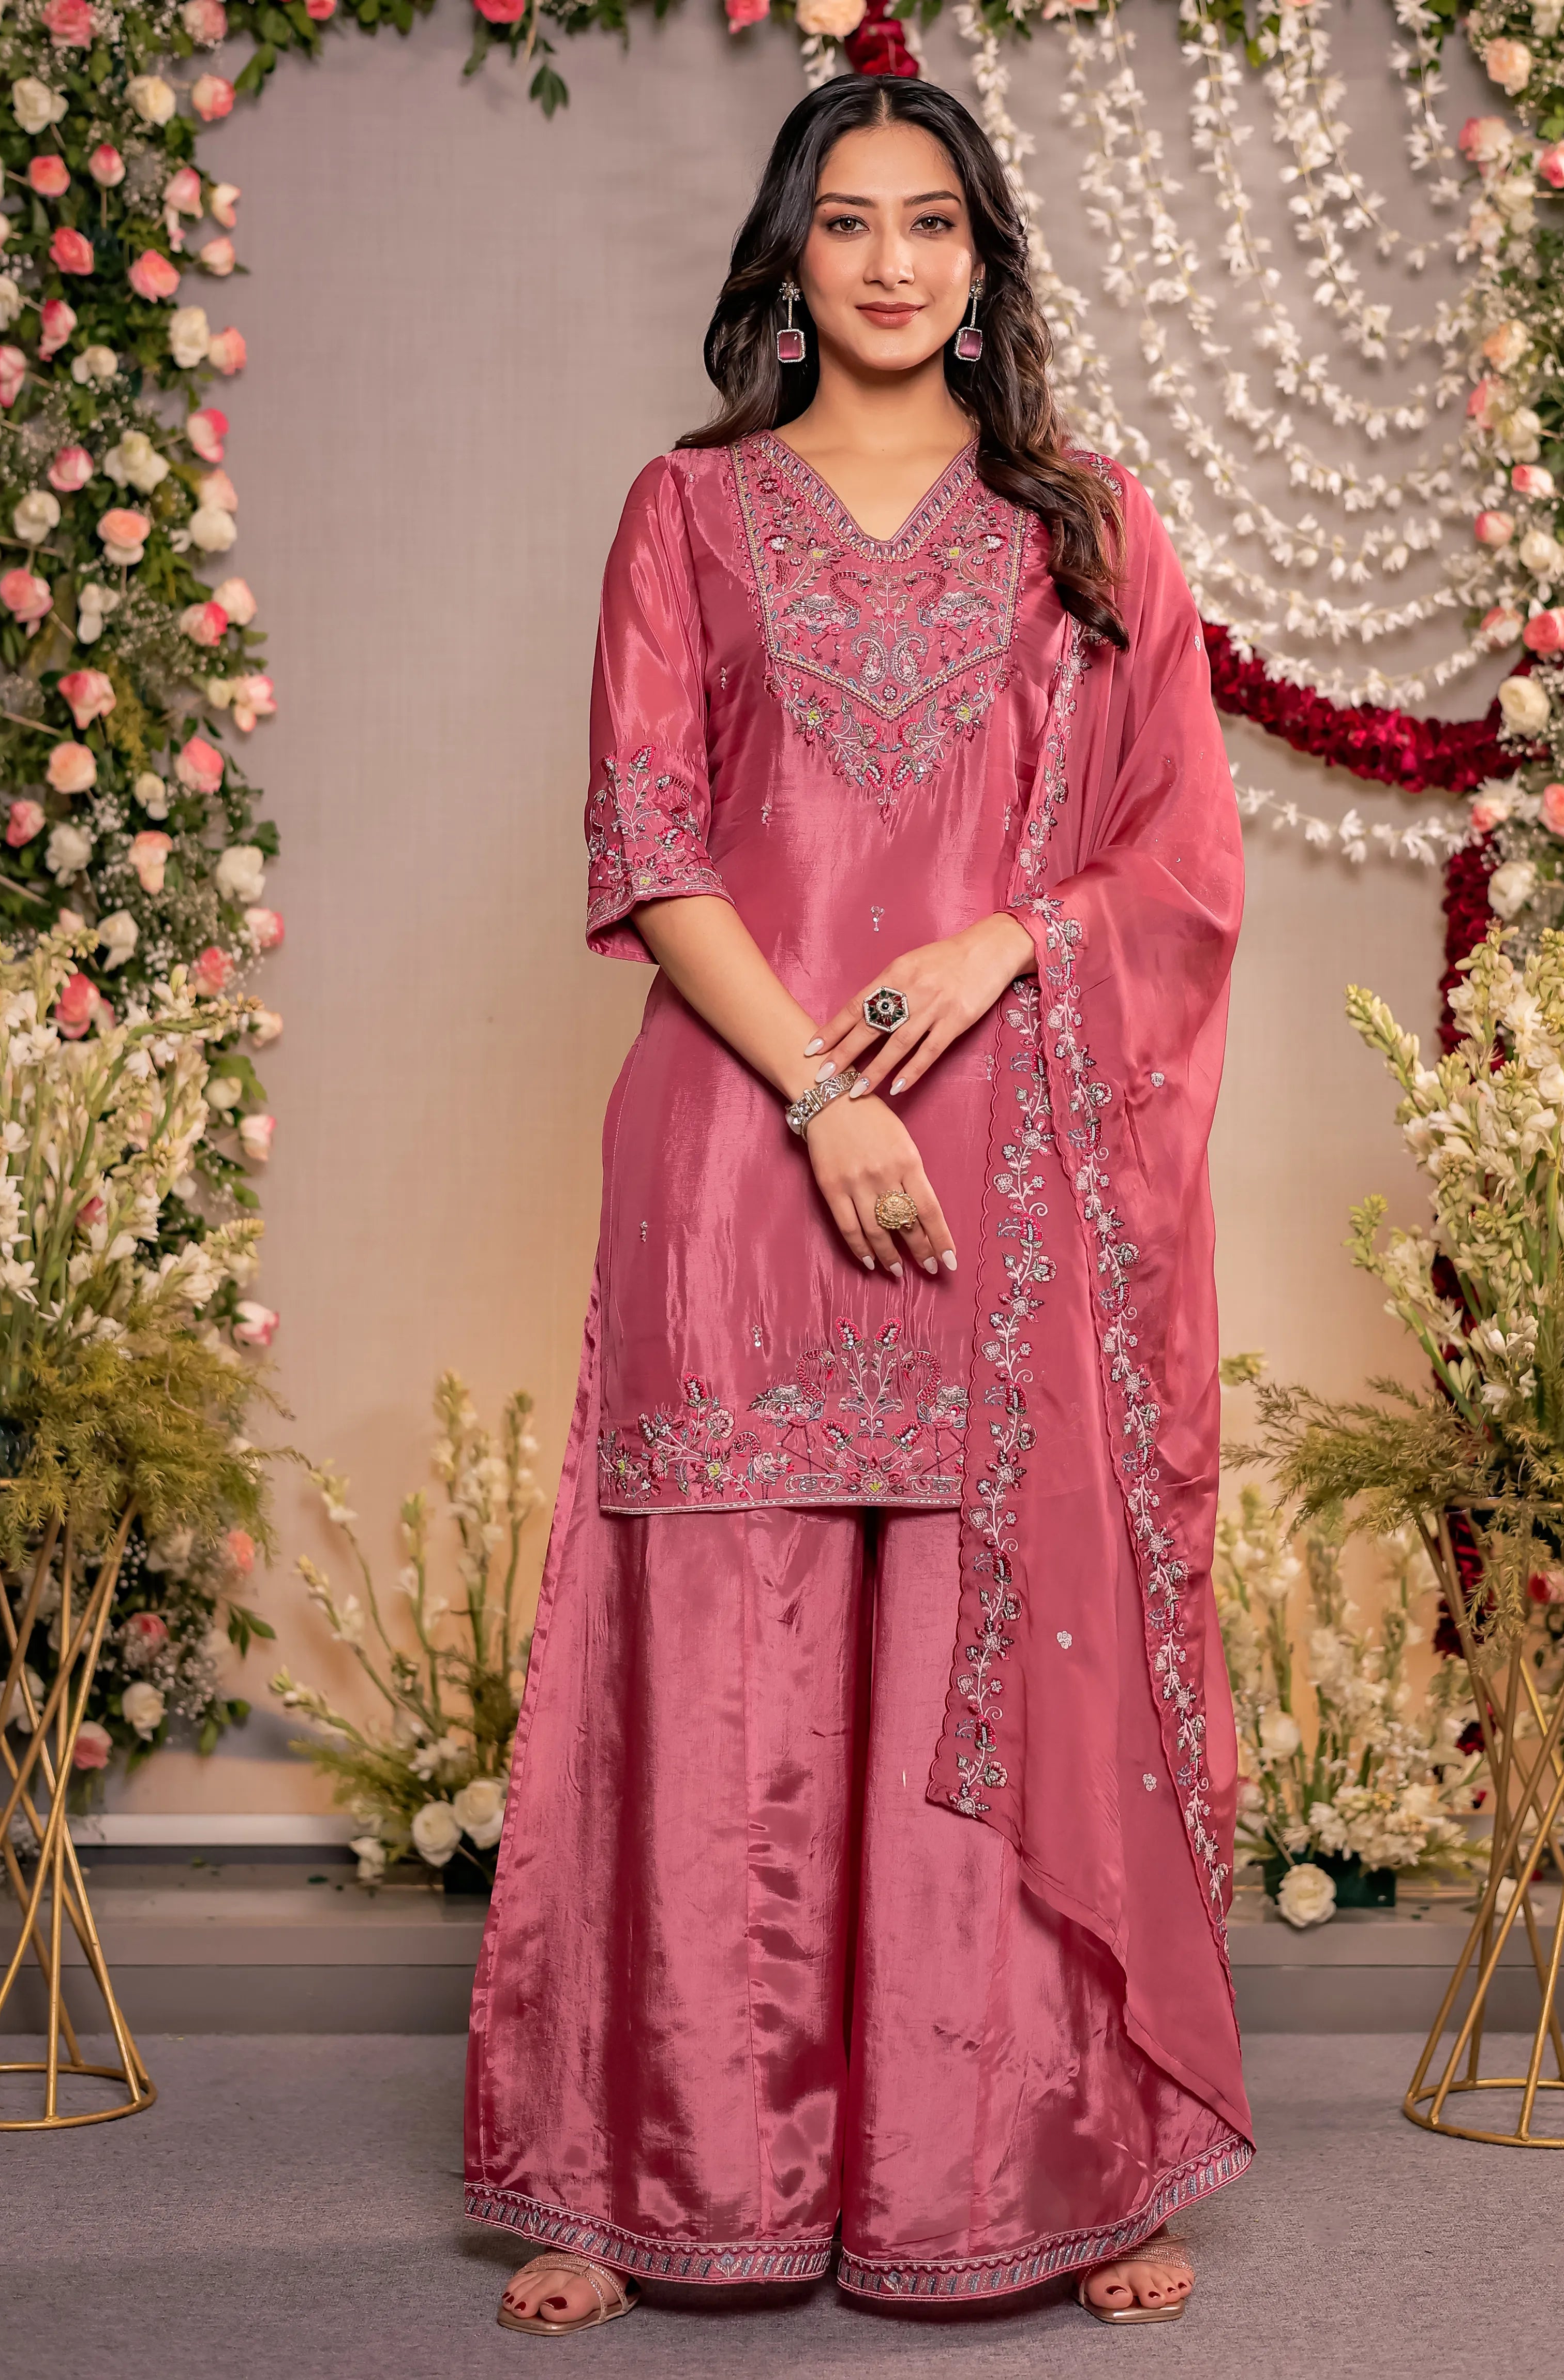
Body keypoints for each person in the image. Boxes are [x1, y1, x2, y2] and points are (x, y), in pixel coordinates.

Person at [466, 69, 1251, 2337]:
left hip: (1013, 1155)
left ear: (983, 264)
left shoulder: (1092, 532)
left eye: (930, 223)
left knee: (992, 1658)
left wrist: (1017, 941)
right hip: (739, 1148)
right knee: (706, 1670)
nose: (890, 263)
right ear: (784, 262)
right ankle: (641, 2172)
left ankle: (1049, 2162)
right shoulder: (686, 514)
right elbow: (648, 842)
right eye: (844, 224)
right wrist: (821, 1088)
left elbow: (1177, 862)